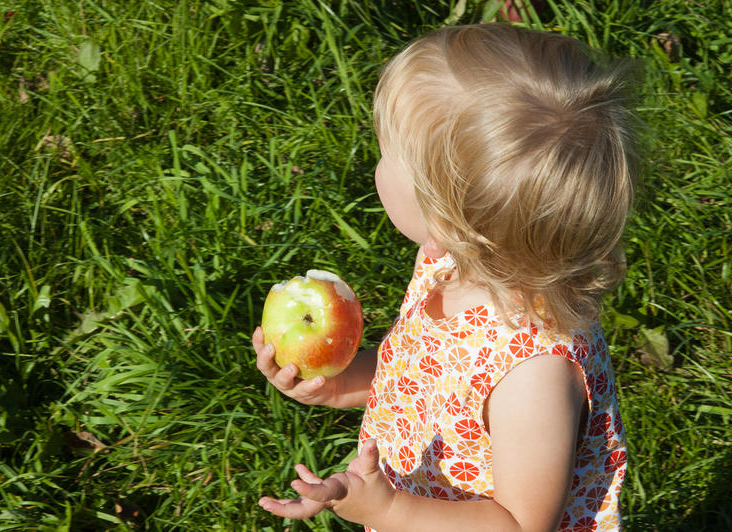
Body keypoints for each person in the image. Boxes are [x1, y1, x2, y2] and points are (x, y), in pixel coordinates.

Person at [254, 22, 638, 531]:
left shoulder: (532, 375)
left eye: (388, 156)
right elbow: (424, 379)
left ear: (448, 212)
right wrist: (337, 383)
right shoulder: (451, 261)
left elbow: (519, 525)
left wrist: (388, 510)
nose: (376, 165)